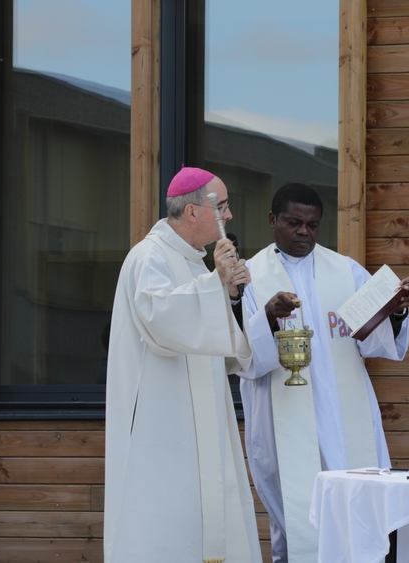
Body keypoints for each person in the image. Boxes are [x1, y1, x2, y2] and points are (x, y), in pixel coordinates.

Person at [237, 183, 409, 563]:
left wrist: (398, 308)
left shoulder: (346, 271)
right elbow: (244, 358)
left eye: (313, 225)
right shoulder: (251, 278)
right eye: (294, 222)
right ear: (273, 221)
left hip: (343, 418)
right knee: (300, 524)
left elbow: (372, 342)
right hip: (282, 422)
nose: (304, 232)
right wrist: (268, 316)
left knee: (359, 520)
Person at [104, 166, 261, 563]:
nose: (228, 216)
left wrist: (230, 295)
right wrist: (214, 285)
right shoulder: (148, 257)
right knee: (166, 528)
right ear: (193, 212)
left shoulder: (195, 263)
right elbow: (161, 322)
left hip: (201, 422)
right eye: (221, 207)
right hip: (163, 425)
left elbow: (214, 344)